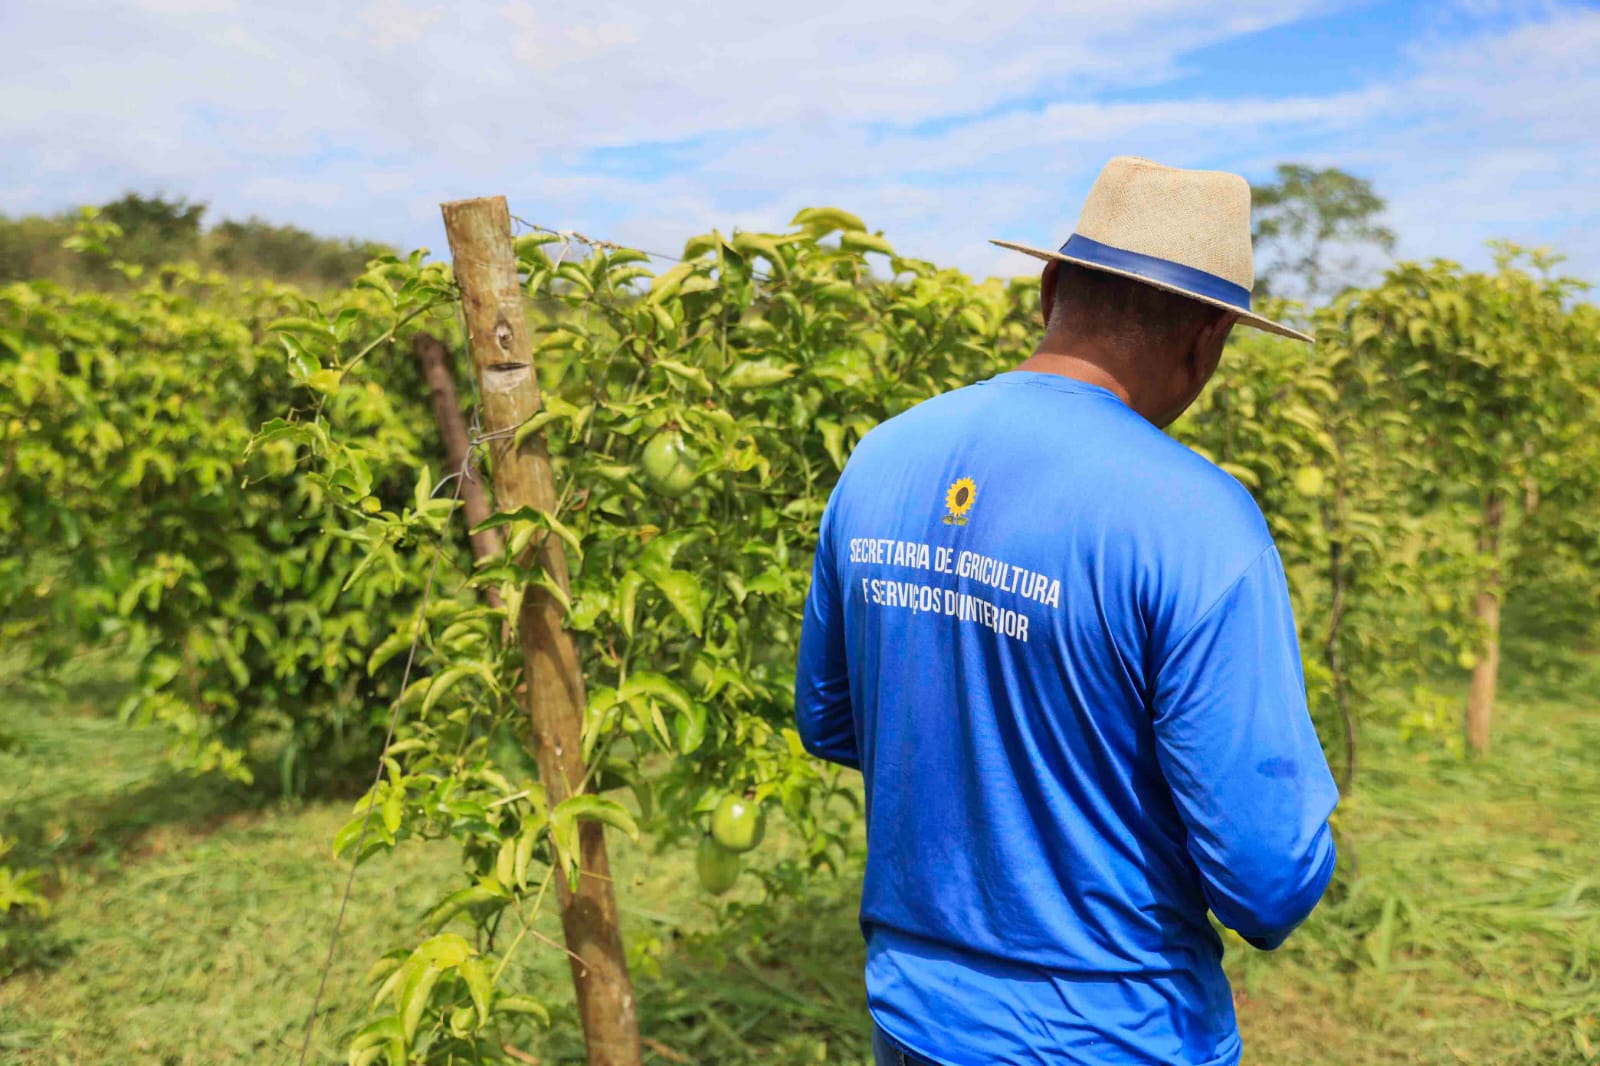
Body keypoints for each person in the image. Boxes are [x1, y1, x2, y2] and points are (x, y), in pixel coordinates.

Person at [794, 156, 1339, 1066]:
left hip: (914, 1017)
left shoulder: (883, 457)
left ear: (1048, 287)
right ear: (1210, 338)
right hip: (1113, 1033)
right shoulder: (1197, 518)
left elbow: (830, 719)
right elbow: (1267, 881)